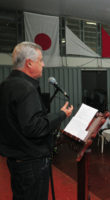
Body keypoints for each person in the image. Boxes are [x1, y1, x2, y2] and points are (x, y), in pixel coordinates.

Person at [0, 42, 73, 200]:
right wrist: (61, 114)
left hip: (16, 161)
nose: (43, 64)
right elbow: (34, 127)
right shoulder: (26, 89)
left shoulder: (6, 85)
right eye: (40, 60)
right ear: (29, 63)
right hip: (32, 164)